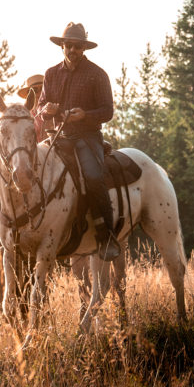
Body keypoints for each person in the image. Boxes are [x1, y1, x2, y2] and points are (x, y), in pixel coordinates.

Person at [36, 22, 120, 261]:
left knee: (93, 177)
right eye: (68, 45)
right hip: (58, 137)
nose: (72, 49)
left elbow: (107, 111)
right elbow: (41, 106)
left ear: (84, 48)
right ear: (62, 46)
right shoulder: (51, 74)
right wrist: (46, 110)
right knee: (34, 170)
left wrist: (85, 115)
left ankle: (106, 236)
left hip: (87, 136)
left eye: (77, 46)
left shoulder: (97, 74)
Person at [16, 74, 45, 141]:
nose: (39, 93)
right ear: (29, 95)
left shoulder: (53, 109)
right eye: (35, 90)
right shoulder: (24, 115)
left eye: (42, 89)